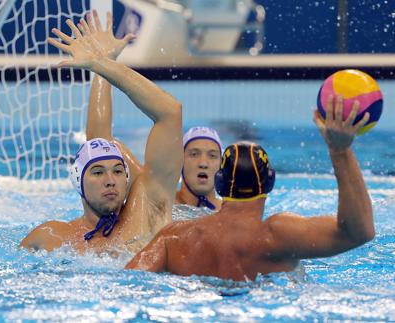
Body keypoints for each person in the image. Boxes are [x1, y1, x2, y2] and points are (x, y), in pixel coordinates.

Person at [126, 95, 375, 281]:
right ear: (270, 182)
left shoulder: (173, 238)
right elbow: (358, 232)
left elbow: (129, 281)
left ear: (220, 183)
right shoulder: (279, 235)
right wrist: (340, 150)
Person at [20, 11, 183, 253]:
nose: (110, 181)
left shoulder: (145, 210)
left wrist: (103, 64)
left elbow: (170, 111)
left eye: (118, 171)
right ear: (78, 182)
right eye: (97, 173)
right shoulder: (51, 237)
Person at [78, 11, 222, 211]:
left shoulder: (230, 215)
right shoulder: (156, 198)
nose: (203, 163)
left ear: (222, 166)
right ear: (177, 160)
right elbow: (99, 141)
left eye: (213, 156)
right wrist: (104, 64)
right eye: (194, 154)